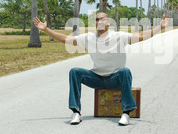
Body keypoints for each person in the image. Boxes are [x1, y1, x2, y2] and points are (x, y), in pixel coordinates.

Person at [33, 12, 170, 126]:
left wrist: (160, 27)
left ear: (109, 22)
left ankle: (126, 113)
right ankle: (76, 112)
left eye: (103, 19)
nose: (100, 21)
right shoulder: (89, 37)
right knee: (75, 71)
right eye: (97, 19)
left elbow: (140, 36)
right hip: (96, 78)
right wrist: (46, 29)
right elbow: (66, 39)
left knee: (125, 71)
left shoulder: (119, 36)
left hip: (115, 78)